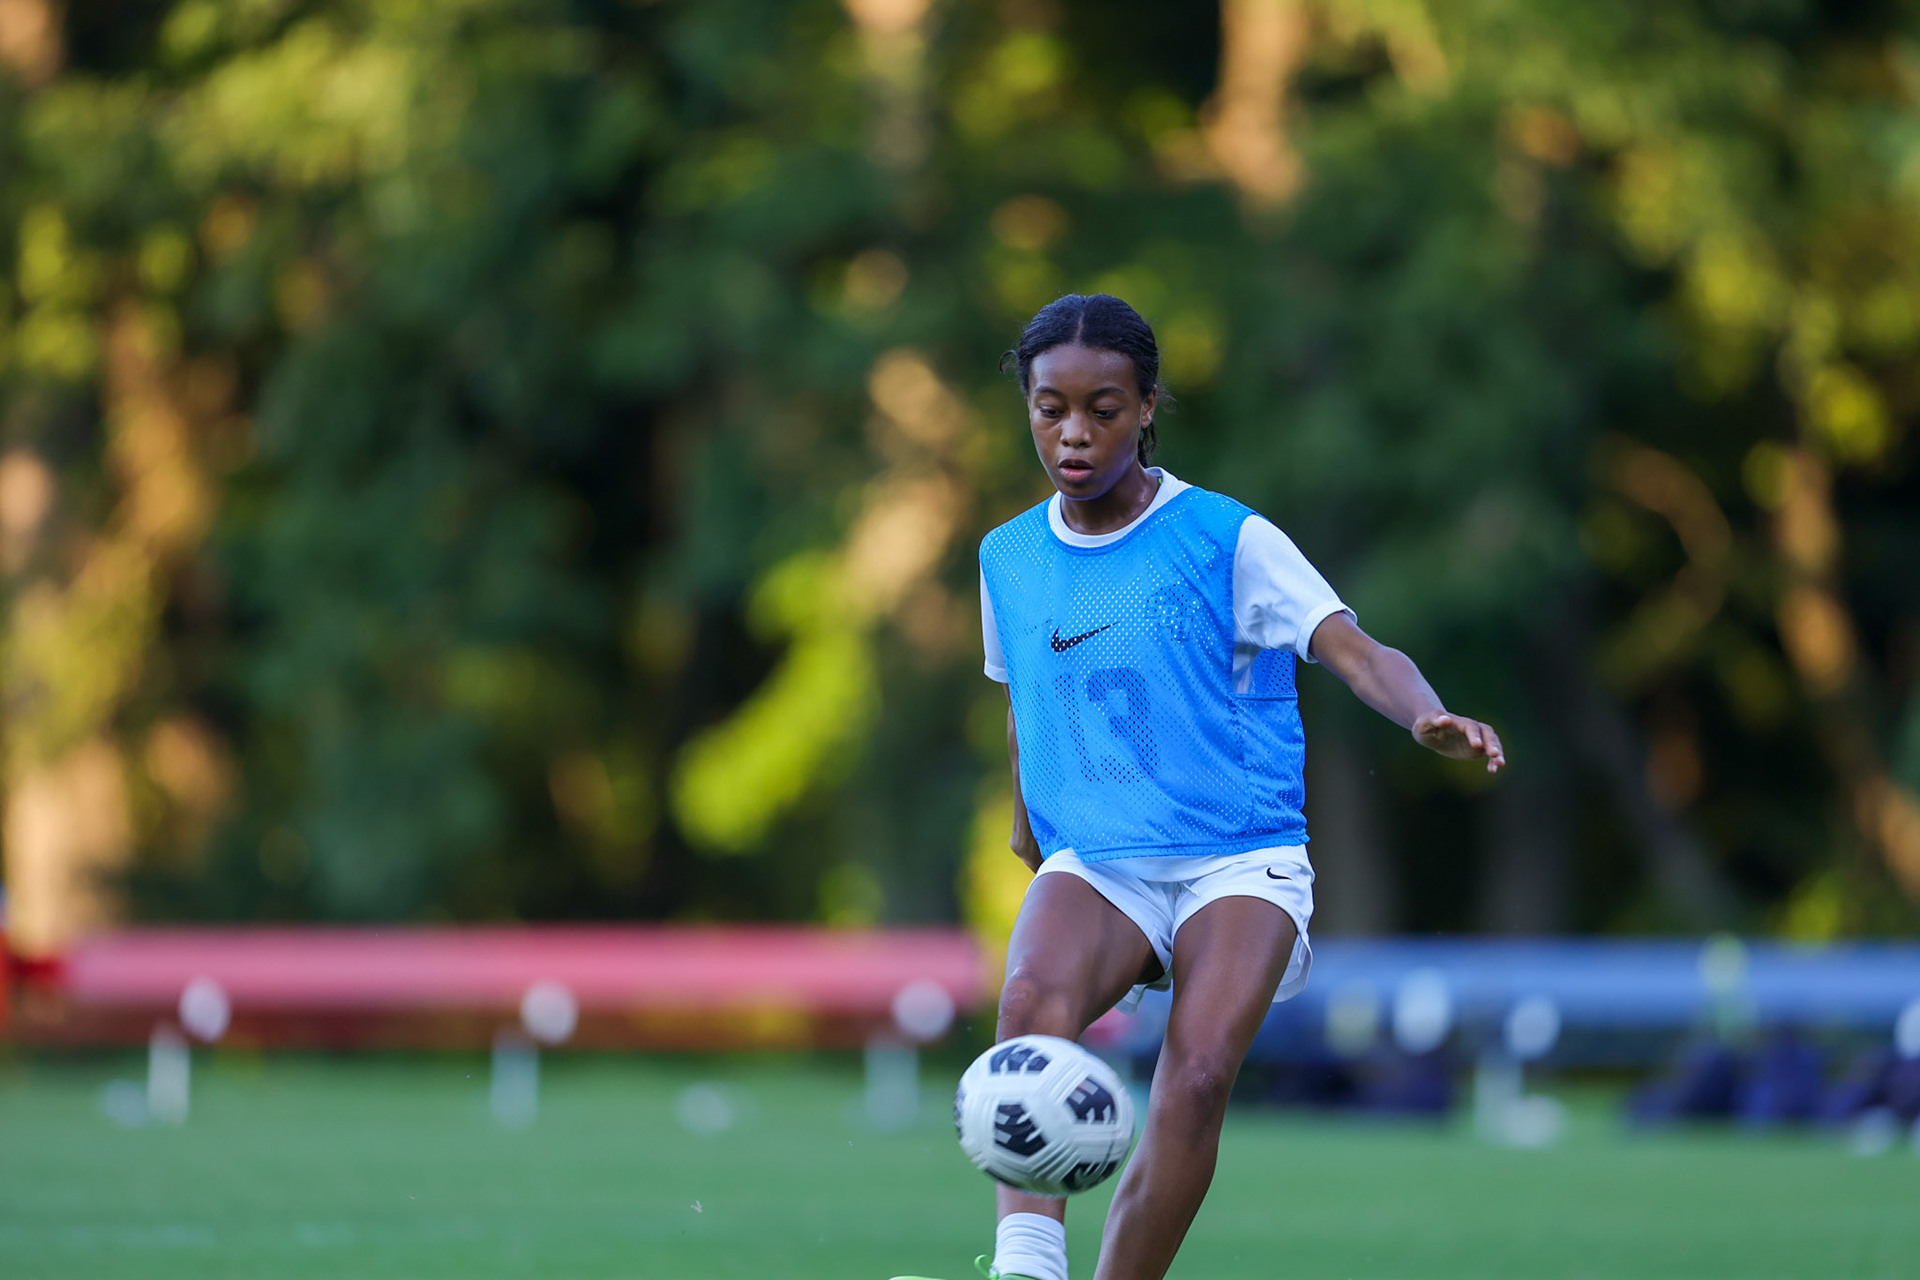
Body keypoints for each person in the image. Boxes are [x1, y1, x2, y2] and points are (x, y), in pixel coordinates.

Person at [902, 294, 1505, 1280]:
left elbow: (1353, 648)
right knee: (1028, 1004)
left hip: (1238, 853)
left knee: (1195, 1073)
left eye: (1103, 407)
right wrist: (1027, 824)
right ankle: (1027, 1264)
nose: (1074, 431)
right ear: (1028, 407)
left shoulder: (1225, 539)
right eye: (1050, 408)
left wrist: (1423, 712)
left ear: (1147, 407)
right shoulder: (1005, 556)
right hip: (1100, 856)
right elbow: (1027, 702)